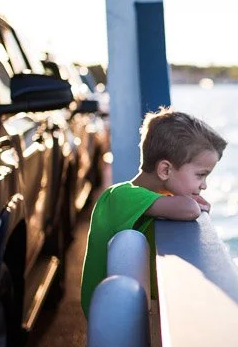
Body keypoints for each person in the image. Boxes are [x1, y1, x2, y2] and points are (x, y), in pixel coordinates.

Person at [80, 106, 228, 317]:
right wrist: (191, 202)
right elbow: (189, 210)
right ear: (165, 170)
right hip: (110, 319)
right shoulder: (121, 196)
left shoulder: (154, 197)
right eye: (200, 175)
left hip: (123, 310)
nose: (204, 185)